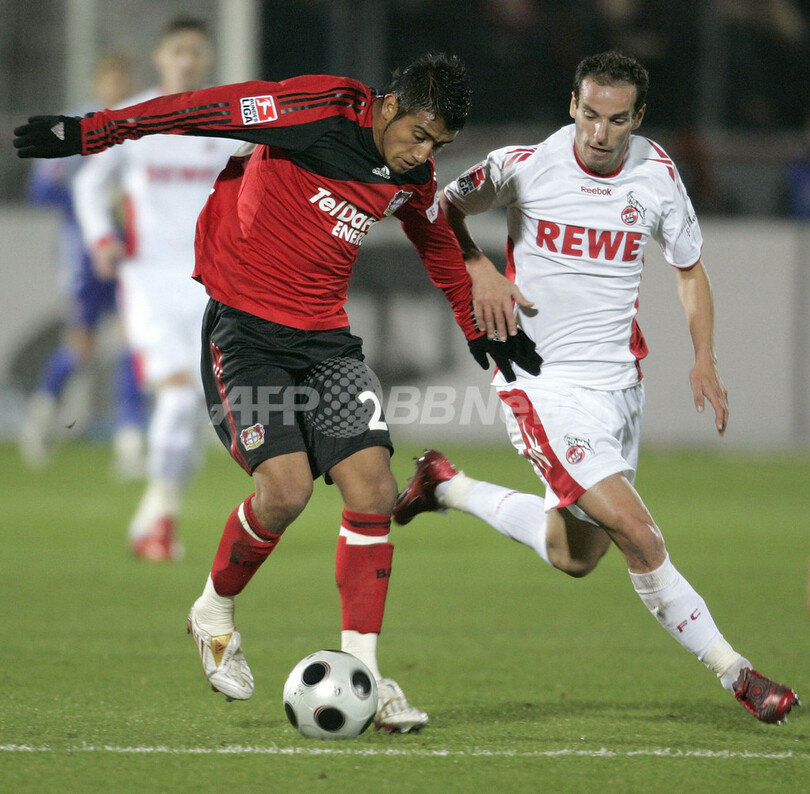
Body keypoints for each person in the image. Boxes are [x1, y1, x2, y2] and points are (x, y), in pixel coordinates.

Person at [14, 52, 539, 731]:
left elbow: (435, 240)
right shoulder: (318, 111)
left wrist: (475, 328)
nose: (423, 154)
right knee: (285, 493)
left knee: (374, 490)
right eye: (418, 135)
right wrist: (96, 132)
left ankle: (366, 677)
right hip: (246, 336)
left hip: (326, 343)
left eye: (437, 145)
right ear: (388, 106)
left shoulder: (411, 174)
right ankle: (213, 610)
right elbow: (199, 109)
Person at [394, 50, 800, 724]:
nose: (599, 132)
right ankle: (740, 674)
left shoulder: (658, 176)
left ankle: (445, 485)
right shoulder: (525, 166)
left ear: (637, 118)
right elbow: (438, 209)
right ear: (573, 105)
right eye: (589, 115)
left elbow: (689, 270)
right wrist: (478, 266)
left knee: (575, 555)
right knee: (639, 534)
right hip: (540, 384)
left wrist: (705, 356)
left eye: (616, 120)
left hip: (617, 387)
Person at [71, 18, 239, 561]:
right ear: (161, 56)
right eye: (177, 50)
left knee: (195, 408)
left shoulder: (228, 122)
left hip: (211, 283)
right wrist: (102, 239)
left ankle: (153, 518)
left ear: (207, 59)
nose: (186, 60)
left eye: (196, 51)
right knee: (177, 394)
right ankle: (160, 522)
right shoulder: (131, 119)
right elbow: (89, 185)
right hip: (147, 279)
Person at [18, 54, 146, 477]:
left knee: (134, 341)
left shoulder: (140, 126)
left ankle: (130, 441)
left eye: (124, 78)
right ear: (97, 83)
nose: (118, 86)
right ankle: (40, 417)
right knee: (81, 344)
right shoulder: (72, 126)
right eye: (110, 78)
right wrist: (89, 205)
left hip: (131, 254)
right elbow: (41, 189)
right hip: (84, 253)